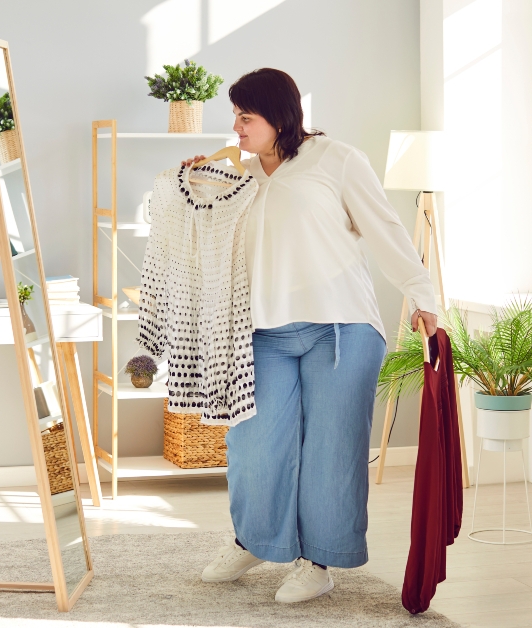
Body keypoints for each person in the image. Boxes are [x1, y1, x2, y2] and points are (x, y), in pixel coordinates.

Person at [184, 68, 438, 603]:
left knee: (332, 451)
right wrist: (194, 183)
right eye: (235, 115)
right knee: (253, 445)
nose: (236, 126)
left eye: (245, 116)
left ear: (279, 116)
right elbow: (194, 227)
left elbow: (385, 227)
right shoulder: (241, 175)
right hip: (262, 333)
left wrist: (421, 294)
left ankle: (317, 563)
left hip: (340, 328)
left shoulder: (337, 160)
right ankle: (254, 539)